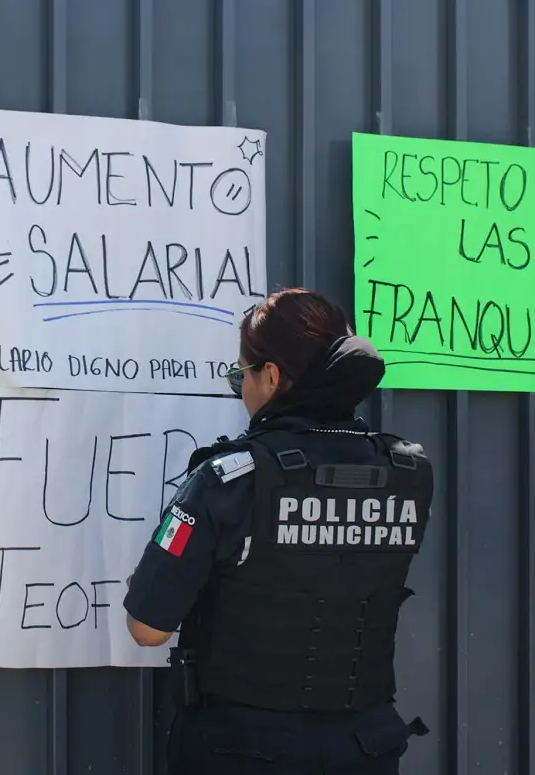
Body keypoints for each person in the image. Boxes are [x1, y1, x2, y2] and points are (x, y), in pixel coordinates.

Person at [123, 288, 433, 775]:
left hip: (243, 750)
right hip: (365, 748)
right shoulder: (408, 473)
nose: (240, 388)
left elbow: (147, 628)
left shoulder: (230, 479)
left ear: (269, 376)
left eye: (239, 375)